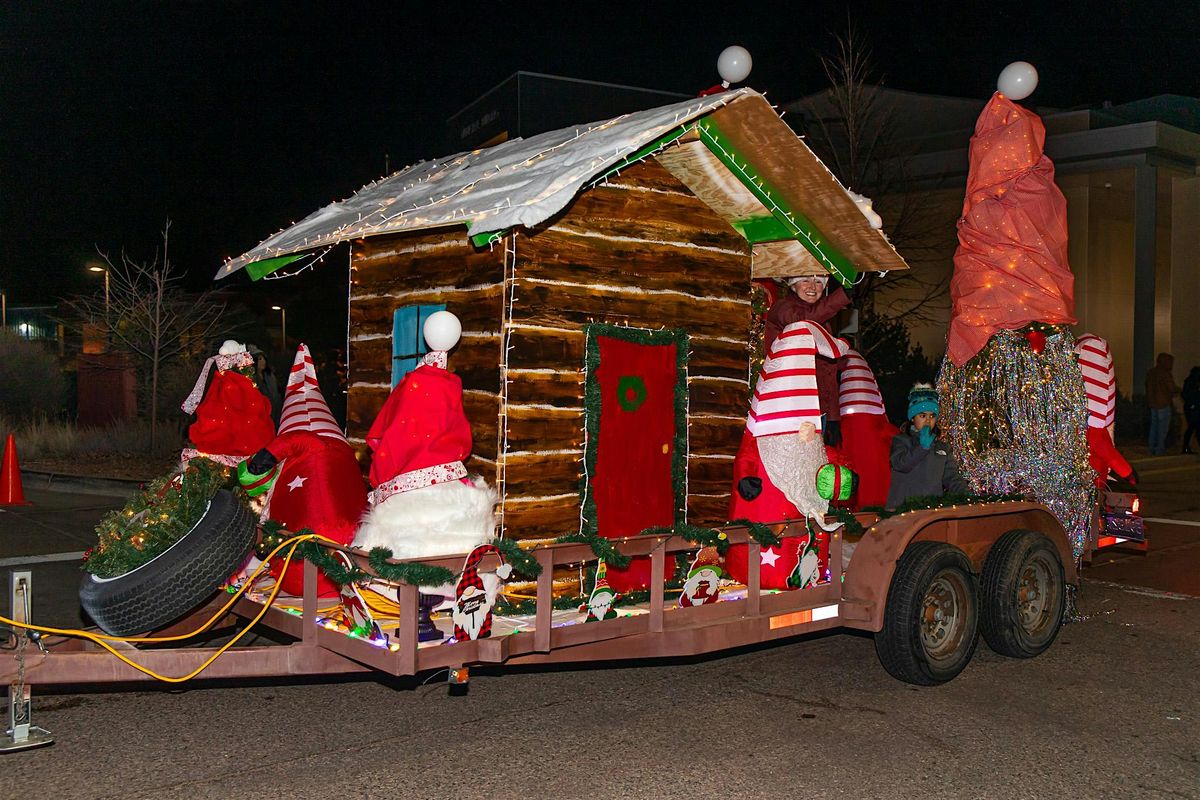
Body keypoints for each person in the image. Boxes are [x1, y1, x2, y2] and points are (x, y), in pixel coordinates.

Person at [764, 273, 852, 444]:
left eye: (818, 282)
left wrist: (834, 417)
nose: (812, 287)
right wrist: (841, 296)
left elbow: (828, 370)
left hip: (818, 409)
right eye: (805, 281)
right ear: (793, 285)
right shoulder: (783, 308)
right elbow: (802, 322)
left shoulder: (821, 319)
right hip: (789, 403)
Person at [886, 383, 968, 509]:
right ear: (913, 418)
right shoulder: (901, 440)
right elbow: (901, 464)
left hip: (931, 512)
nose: (928, 420)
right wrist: (922, 448)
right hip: (902, 510)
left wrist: (966, 496)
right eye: (922, 416)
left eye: (932, 416)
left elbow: (952, 478)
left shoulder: (942, 448)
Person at [1145, 352, 1179, 456]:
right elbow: (1171, 388)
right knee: (1162, 429)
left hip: (1153, 404)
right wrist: (1178, 390)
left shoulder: (1151, 373)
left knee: (1154, 427)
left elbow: (1147, 387)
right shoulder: (1165, 373)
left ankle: (1151, 449)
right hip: (1163, 404)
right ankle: (1160, 449)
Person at [1182, 366, 1200, 455]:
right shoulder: (1191, 383)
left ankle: (1186, 447)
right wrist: (1192, 404)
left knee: (1193, 428)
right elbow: (1188, 395)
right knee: (1193, 427)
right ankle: (1185, 447)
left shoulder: (1192, 382)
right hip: (1193, 409)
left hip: (1194, 408)